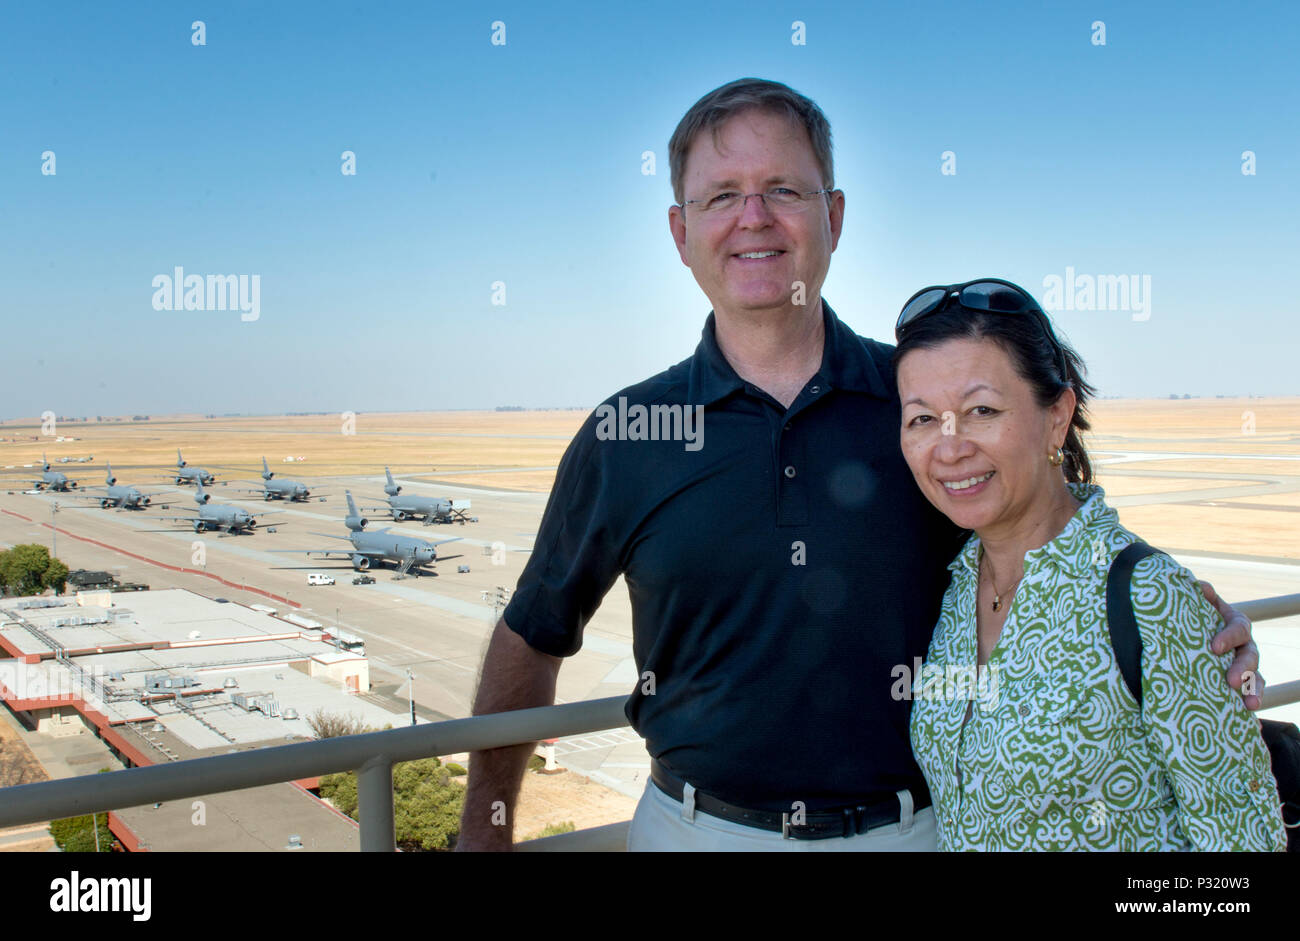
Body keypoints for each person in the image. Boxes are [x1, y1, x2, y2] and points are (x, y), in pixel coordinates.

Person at [456, 79, 1262, 852]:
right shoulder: (627, 432)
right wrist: (485, 833)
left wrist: (1180, 627)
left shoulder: (917, 406)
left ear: (833, 216)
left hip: (916, 833)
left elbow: (1039, 526)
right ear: (680, 231)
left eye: (784, 189)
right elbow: (533, 633)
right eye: (721, 195)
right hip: (696, 832)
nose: (754, 218)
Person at [895, 278, 1286, 851]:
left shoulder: (1151, 598)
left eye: (982, 410)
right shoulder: (954, 588)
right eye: (923, 419)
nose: (949, 448)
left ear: (1057, 416)